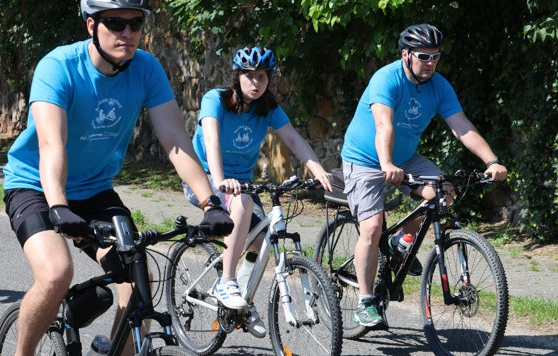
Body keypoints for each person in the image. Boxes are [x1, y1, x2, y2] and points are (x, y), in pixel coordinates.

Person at [0, 0, 233, 356]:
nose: (126, 32)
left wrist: (210, 201)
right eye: (115, 23)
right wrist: (60, 206)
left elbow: (175, 142)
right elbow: (52, 147)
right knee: (56, 271)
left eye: (135, 23)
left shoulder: (146, 68)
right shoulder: (58, 67)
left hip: (96, 190)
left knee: (136, 285)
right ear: (92, 25)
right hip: (36, 184)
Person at [340, 23, 507, 328]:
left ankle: (400, 244)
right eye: (423, 56)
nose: (430, 63)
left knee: (443, 192)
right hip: (365, 159)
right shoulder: (386, 79)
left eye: (435, 57)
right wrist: (387, 163)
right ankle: (365, 302)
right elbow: (383, 126)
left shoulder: (439, 86)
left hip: (405, 159)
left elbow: (462, 127)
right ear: (405, 55)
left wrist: (492, 160)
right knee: (373, 226)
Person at [183, 46, 333, 337]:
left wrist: (318, 171)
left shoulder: (268, 108)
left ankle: (240, 299)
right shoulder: (215, 100)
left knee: (263, 242)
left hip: (242, 184)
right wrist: (219, 178)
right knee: (242, 203)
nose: (255, 83)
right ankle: (226, 281)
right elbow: (211, 138)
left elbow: (292, 138)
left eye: (261, 76)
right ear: (237, 77)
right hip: (206, 179)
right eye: (249, 76)